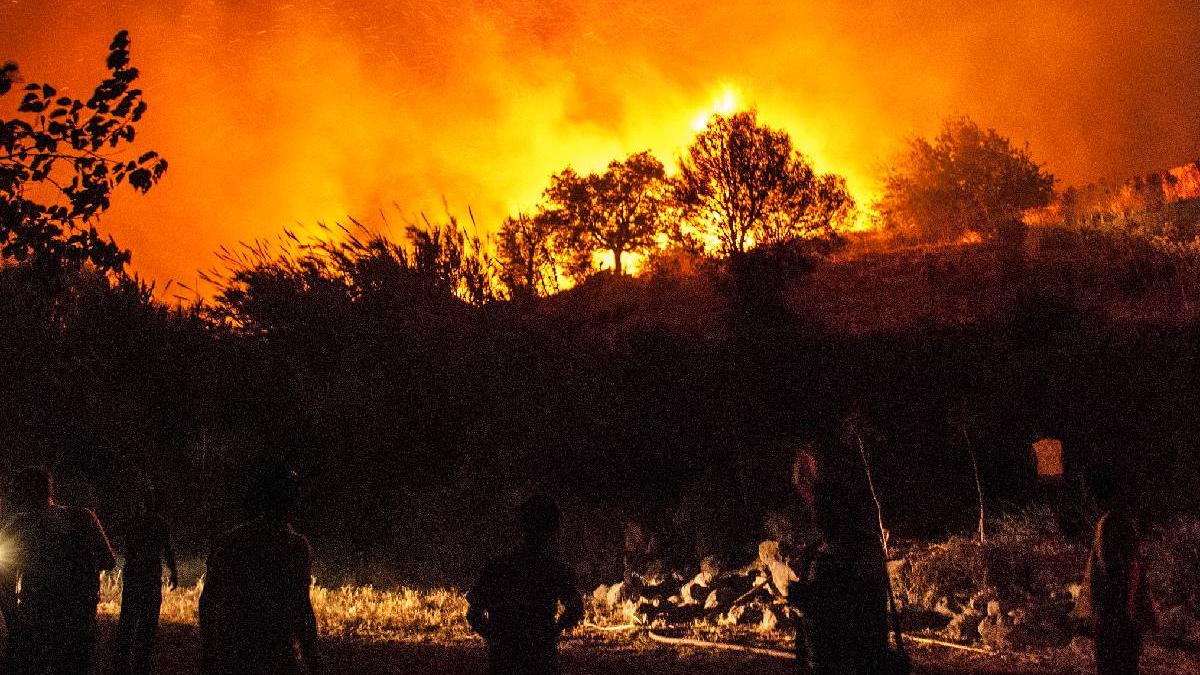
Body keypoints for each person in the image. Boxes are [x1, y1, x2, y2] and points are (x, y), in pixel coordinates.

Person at [199, 468, 321, 675]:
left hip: (234, 649)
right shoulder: (294, 546)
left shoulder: (231, 541)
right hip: (276, 651)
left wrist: (210, 649)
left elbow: (208, 599)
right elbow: (302, 608)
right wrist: (312, 659)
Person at [1, 465, 116, 675]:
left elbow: (4, 579)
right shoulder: (83, 517)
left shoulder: (19, 525)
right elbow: (108, 561)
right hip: (78, 621)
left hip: (35, 621)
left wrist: (14, 622)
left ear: (27, 492)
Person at [467, 495, 584, 675]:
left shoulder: (498, 566)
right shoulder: (553, 569)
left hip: (504, 661)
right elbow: (575, 608)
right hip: (540, 659)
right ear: (552, 530)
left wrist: (497, 638)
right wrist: (552, 633)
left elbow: (473, 613)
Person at [790, 478, 891, 675]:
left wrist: (815, 598)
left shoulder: (863, 550)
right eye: (815, 509)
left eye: (821, 509)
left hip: (857, 660)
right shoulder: (814, 551)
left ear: (840, 511)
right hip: (820, 660)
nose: (815, 516)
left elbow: (868, 607)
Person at [1082, 468, 1155, 675]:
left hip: (1116, 612)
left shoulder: (1112, 524)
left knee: (1115, 664)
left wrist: (1127, 606)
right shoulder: (1114, 522)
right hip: (1115, 611)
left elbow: (1128, 566)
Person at [111, 488, 179, 675]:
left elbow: (112, 532)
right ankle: (142, 664)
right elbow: (168, 551)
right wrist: (174, 573)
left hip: (133, 576)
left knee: (129, 619)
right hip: (150, 577)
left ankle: (121, 663)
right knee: (147, 623)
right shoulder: (161, 525)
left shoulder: (134, 523)